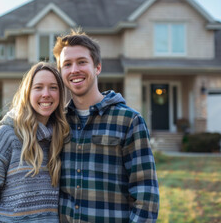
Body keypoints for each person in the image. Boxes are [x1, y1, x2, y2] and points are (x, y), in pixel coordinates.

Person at [53, 30, 159, 222]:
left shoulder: (129, 121)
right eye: (67, 64)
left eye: (82, 62)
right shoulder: (59, 123)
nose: (74, 69)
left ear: (98, 67)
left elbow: (146, 196)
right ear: (61, 72)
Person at [0, 62, 70, 222]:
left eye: (53, 87)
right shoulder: (5, 136)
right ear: (27, 93)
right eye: (38, 87)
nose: (46, 94)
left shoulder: (60, 139)